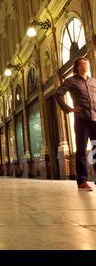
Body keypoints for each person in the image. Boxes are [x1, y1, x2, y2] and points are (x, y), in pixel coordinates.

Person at [54, 57, 96, 191]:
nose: (86, 65)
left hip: (95, 119)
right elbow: (58, 94)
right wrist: (69, 109)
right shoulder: (71, 81)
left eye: (87, 63)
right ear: (77, 67)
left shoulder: (93, 81)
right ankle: (82, 181)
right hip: (81, 120)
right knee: (81, 150)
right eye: (83, 64)